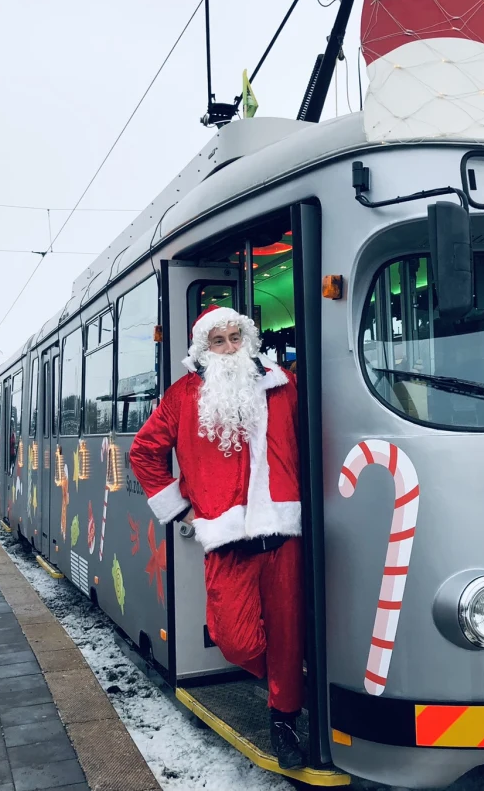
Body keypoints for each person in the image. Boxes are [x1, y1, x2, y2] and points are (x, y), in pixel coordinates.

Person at [130, 305, 306, 770]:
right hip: (227, 542)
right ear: (203, 348)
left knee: (288, 637)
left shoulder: (284, 386)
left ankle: (284, 719)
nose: (229, 347)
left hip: (283, 534)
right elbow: (144, 452)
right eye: (219, 340)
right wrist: (183, 506)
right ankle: (288, 682)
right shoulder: (184, 395)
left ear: (247, 339)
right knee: (237, 640)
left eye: (235, 337)